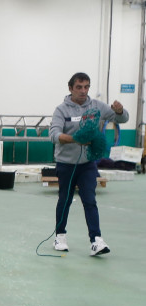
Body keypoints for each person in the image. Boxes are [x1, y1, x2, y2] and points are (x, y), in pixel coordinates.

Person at [49, 72, 127, 256]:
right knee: (65, 200)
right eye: (79, 87)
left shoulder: (97, 107)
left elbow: (122, 119)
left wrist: (119, 111)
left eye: (86, 87)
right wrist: (76, 139)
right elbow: (54, 135)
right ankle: (60, 236)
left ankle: (96, 241)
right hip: (66, 163)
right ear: (70, 88)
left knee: (90, 201)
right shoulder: (61, 110)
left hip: (88, 164)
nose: (83, 91)